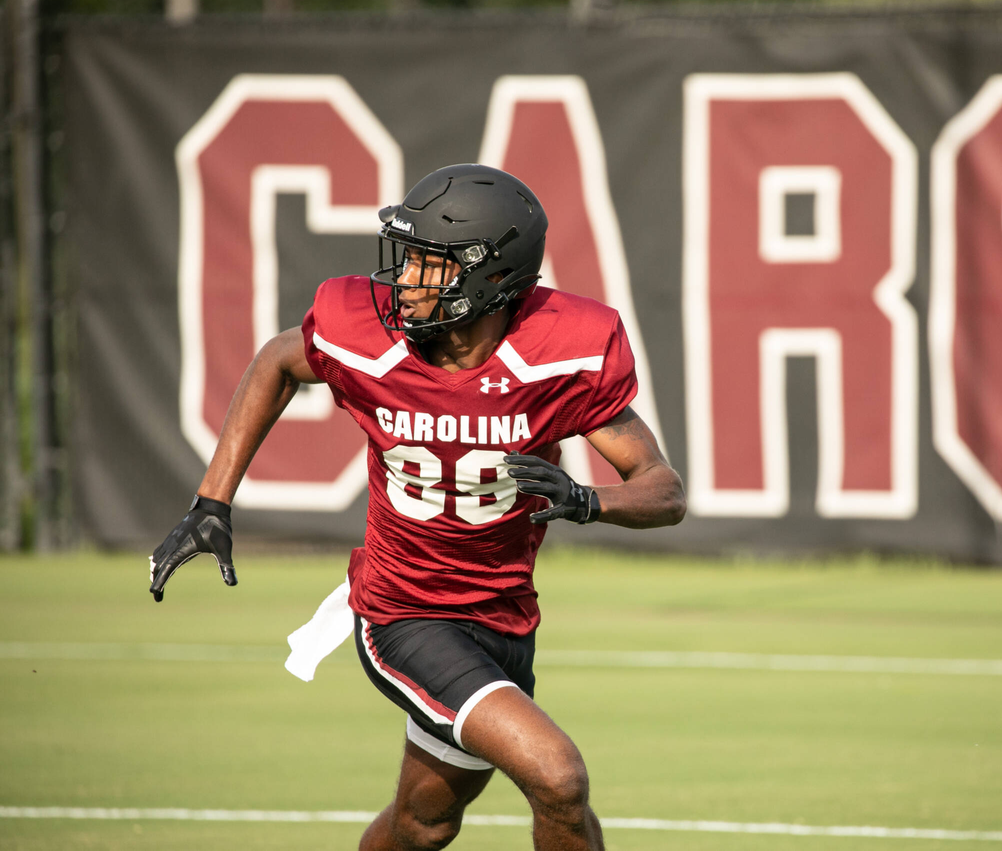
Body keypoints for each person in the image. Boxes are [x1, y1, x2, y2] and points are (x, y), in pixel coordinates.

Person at [148, 163, 686, 851]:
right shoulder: (368, 336)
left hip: (503, 619)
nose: (404, 280)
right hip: (403, 613)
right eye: (407, 260)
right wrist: (212, 501)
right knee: (558, 777)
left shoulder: (556, 354)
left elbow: (662, 489)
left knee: (423, 824)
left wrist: (589, 500)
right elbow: (278, 361)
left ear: (492, 277)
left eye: (430, 266)